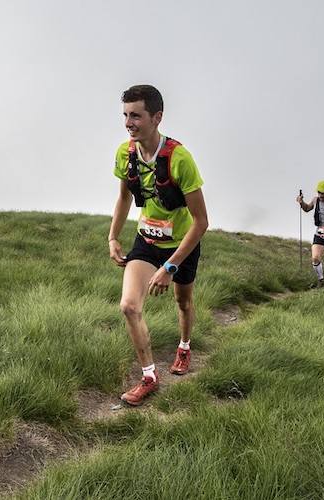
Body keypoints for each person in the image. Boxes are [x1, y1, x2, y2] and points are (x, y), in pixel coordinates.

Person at [107, 85, 209, 406]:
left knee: (182, 302)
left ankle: (184, 345)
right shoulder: (126, 154)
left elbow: (201, 221)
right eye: (125, 115)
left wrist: (170, 266)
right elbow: (124, 197)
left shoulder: (180, 159)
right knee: (129, 306)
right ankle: (150, 377)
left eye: (135, 115)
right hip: (147, 240)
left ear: (156, 117)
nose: (128, 122)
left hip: (181, 245)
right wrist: (113, 236)